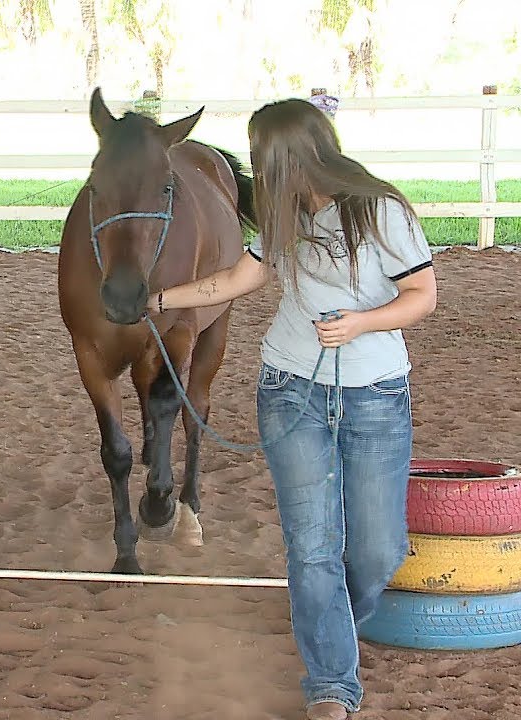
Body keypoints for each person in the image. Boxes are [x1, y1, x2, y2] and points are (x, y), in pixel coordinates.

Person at [145, 97, 437, 720]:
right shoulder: (282, 220)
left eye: (258, 154)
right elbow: (235, 281)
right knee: (312, 548)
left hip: (377, 396)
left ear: (291, 156)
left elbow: (422, 295)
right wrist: (161, 298)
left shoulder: (380, 211)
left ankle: (330, 622)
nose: (252, 165)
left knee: (380, 549)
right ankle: (332, 685)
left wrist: (364, 323)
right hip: (290, 391)